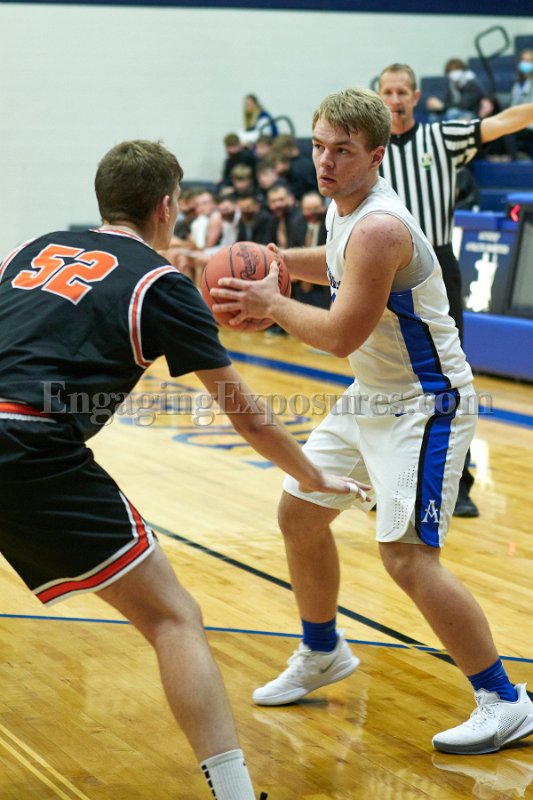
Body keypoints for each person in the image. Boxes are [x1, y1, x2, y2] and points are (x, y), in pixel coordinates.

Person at [0, 140, 366, 800]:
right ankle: (233, 793)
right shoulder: (160, 284)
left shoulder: (33, 249)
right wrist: (313, 477)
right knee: (174, 618)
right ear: (167, 207)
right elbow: (249, 416)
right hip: (32, 446)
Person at [210, 88, 533, 756]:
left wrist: (271, 302)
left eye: (342, 151)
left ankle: (505, 701)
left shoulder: (381, 226)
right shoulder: (343, 210)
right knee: (300, 514)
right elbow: (334, 263)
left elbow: (337, 335)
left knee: (407, 558)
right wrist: (274, 263)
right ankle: (322, 650)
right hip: (373, 394)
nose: (324, 162)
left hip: (425, 401)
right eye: (317, 147)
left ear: (377, 155)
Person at [377, 62, 533, 518]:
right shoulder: (369, 146)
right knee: (388, 375)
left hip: (436, 265)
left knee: (449, 376)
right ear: (379, 96)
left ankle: (457, 482)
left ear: (416, 96)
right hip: (382, 267)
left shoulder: (442, 137)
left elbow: (501, 122)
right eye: (388, 91)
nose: (396, 99)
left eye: (403, 91)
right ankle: (389, 481)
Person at [504, 49, 533, 160]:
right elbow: (513, 104)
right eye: (524, 60)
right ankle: (513, 160)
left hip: (529, 122)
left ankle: (515, 161)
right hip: (519, 121)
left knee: (508, 131)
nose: (526, 64)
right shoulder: (518, 84)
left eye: (529, 61)